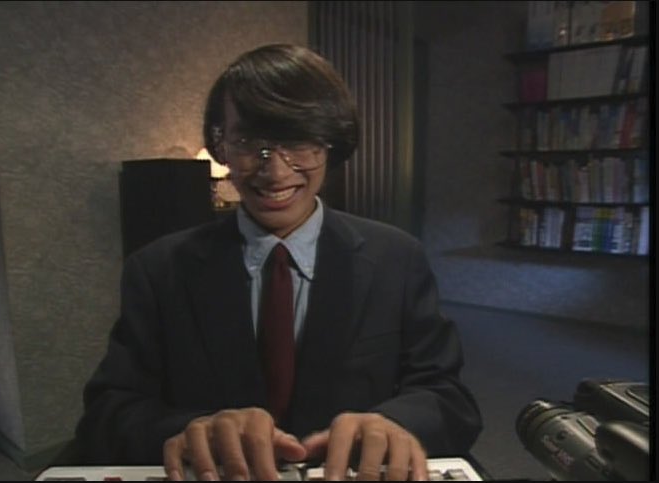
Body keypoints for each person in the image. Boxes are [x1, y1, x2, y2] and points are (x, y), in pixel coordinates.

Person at [76, 43, 482, 481]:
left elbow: (448, 398)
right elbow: (107, 414)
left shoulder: (397, 258)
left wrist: (395, 425)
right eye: (250, 143)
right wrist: (188, 431)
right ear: (221, 145)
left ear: (330, 143)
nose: (275, 172)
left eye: (299, 141)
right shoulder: (157, 269)